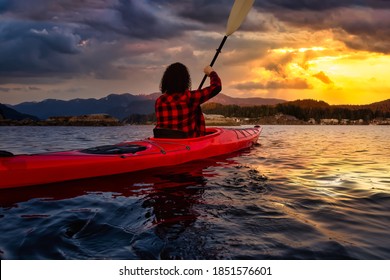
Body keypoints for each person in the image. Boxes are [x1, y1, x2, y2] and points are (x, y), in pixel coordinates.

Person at [154, 62, 222, 138]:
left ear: (166, 81)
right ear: (185, 80)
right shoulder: (190, 98)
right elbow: (217, 86)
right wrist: (211, 72)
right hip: (188, 145)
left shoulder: (159, 101)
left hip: (165, 145)